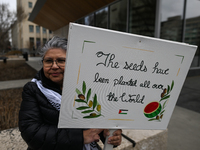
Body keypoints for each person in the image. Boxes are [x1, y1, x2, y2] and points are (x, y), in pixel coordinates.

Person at [19, 36, 122, 150]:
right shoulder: (33, 89)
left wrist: (109, 136)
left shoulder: (88, 87)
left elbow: (97, 123)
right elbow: (31, 133)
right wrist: (80, 137)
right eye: (48, 61)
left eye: (61, 61)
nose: (54, 66)